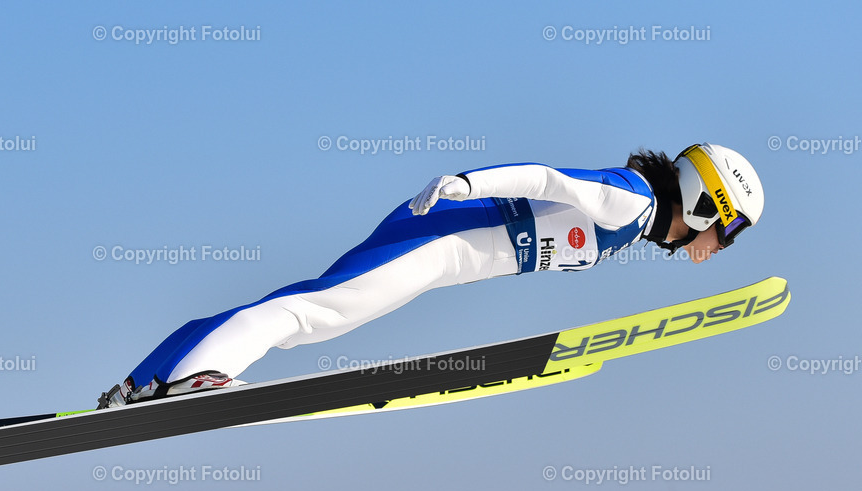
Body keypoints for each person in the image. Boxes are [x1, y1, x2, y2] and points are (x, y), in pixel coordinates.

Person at [97, 142, 764, 409]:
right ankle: (193, 379)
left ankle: (146, 379)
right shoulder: (634, 198)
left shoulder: (635, 222)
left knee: (306, 310)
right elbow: (549, 178)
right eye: (726, 230)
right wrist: (466, 182)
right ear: (706, 200)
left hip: (442, 256)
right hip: (438, 237)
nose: (718, 246)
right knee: (314, 312)